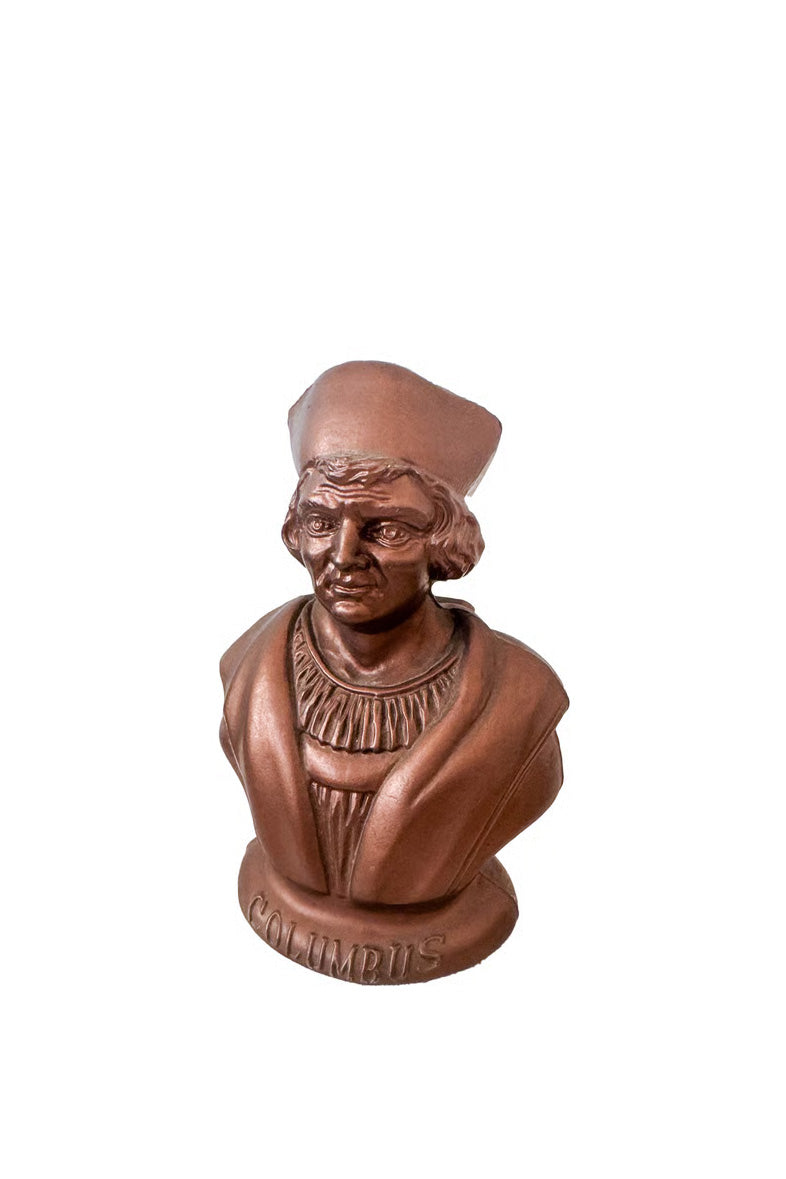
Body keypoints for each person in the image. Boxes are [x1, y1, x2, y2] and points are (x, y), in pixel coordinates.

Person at [219, 361, 568, 980]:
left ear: (444, 542)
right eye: (321, 522)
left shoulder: (519, 700)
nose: (343, 556)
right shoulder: (248, 668)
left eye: (385, 529)